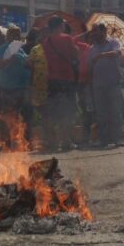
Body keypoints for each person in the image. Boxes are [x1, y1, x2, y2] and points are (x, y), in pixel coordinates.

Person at [40, 16, 80, 151]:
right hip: (66, 79)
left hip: (51, 80)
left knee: (53, 112)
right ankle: (66, 141)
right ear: (60, 25)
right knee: (67, 111)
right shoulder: (67, 38)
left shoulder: (45, 42)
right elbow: (76, 56)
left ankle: (52, 142)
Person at [87, 24, 124, 148]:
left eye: (97, 32)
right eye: (93, 32)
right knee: (101, 113)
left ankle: (118, 138)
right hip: (98, 84)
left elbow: (117, 53)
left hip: (113, 83)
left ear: (104, 32)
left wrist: (100, 56)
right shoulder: (92, 48)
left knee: (116, 111)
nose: (95, 35)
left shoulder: (113, 42)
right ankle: (103, 139)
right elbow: (89, 66)